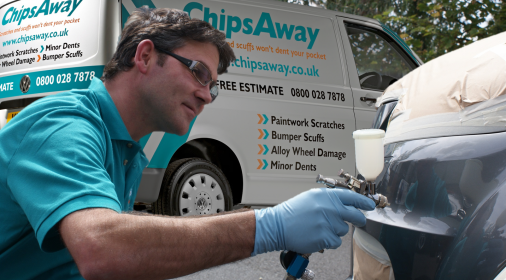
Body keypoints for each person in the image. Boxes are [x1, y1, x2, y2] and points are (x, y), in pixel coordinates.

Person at [0, 7, 375, 280]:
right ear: (145, 56)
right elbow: (102, 250)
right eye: (198, 73)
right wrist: (267, 227)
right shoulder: (65, 125)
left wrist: (272, 217)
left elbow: (118, 244)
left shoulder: (127, 147)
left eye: (213, 86)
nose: (207, 96)